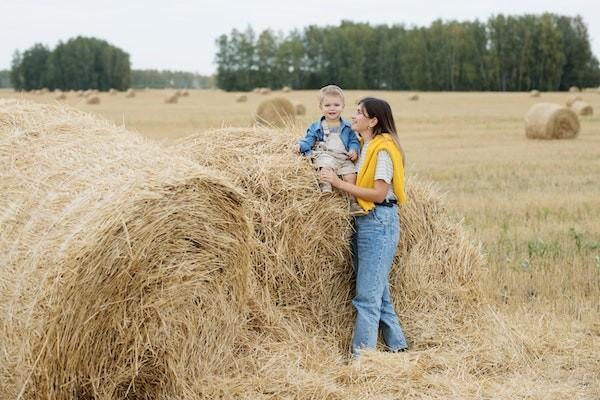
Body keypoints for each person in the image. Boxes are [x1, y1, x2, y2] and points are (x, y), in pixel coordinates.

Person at [318, 97, 408, 357]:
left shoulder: (382, 151)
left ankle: (363, 359)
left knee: (367, 297)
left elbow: (379, 194)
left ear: (373, 121)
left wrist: (336, 182)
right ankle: (397, 346)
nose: (353, 116)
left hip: (379, 221)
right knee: (378, 290)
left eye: (359, 112)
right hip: (365, 220)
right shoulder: (363, 147)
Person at [293, 85, 365, 216]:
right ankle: (325, 187)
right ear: (321, 107)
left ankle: (352, 202)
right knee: (325, 165)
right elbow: (309, 139)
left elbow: (354, 141)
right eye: (327, 105)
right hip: (326, 154)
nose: (332, 108)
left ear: (343, 106)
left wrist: (354, 150)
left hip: (344, 158)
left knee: (351, 175)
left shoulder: (348, 126)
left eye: (336, 105)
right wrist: (301, 146)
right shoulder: (316, 126)